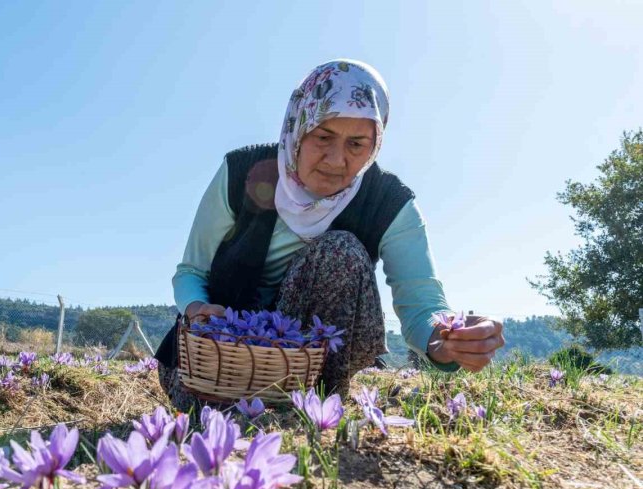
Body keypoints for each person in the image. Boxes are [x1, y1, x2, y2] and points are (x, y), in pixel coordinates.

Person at [155, 59, 505, 410]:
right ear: (298, 126)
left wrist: (445, 340)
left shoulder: (388, 203)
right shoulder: (241, 173)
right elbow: (191, 272)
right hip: (216, 364)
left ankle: (320, 397)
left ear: (376, 143)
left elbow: (422, 302)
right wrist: (199, 310)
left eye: (356, 144)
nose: (337, 161)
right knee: (216, 413)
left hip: (310, 371)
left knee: (341, 251)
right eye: (323, 136)